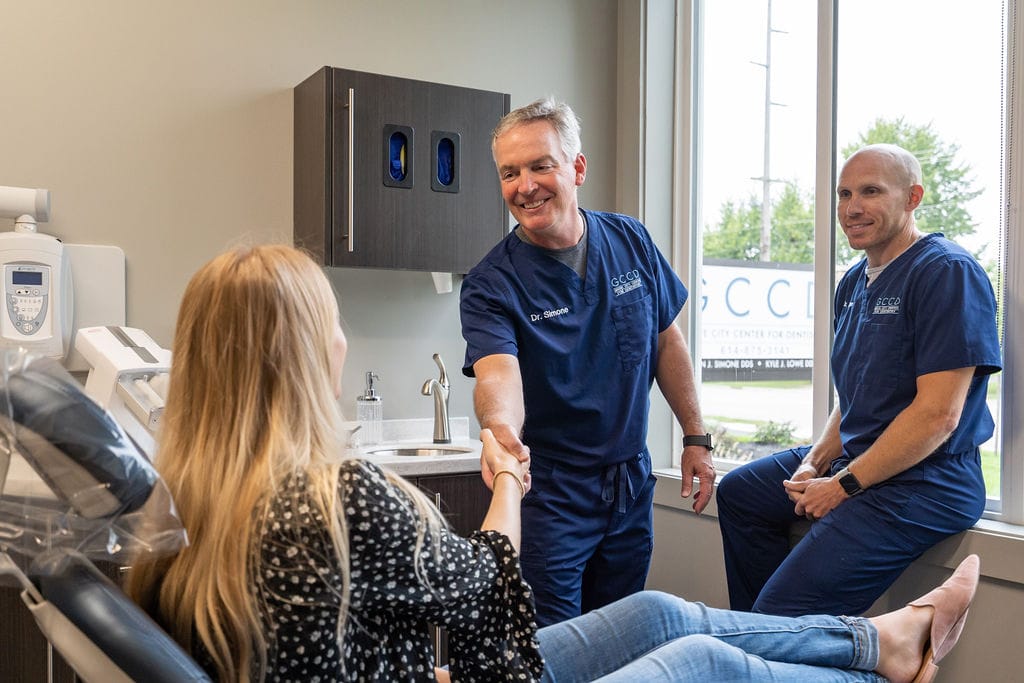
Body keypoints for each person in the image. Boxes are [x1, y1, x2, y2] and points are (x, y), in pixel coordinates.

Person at [126, 243, 979, 683]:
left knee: (653, 613)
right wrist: (506, 478)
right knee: (701, 662)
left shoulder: (183, 497)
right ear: (307, 351)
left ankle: (880, 638)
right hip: (485, 629)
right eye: (332, 321)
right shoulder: (328, 494)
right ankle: (884, 660)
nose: (343, 336)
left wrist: (690, 431)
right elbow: (494, 591)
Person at [459, 97, 715, 627]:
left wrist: (695, 435)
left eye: (539, 165)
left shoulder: (631, 240)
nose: (524, 185)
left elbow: (668, 342)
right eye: (510, 173)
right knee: (556, 648)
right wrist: (501, 432)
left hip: (630, 485)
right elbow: (498, 372)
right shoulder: (492, 283)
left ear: (577, 168)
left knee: (620, 636)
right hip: (552, 497)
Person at [716, 143, 1002, 617]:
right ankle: (763, 636)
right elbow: (855, 395)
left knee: (784, 609)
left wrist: (843, 484)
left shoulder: (947, 272)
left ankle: (778, 627)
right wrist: (813, 463)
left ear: (913, 198)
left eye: (870, 192)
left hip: (927, 480)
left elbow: (938, 416)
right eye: (844, 194)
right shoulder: (853, 283)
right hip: (860, 459)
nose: (852, 208)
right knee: (742, 494)